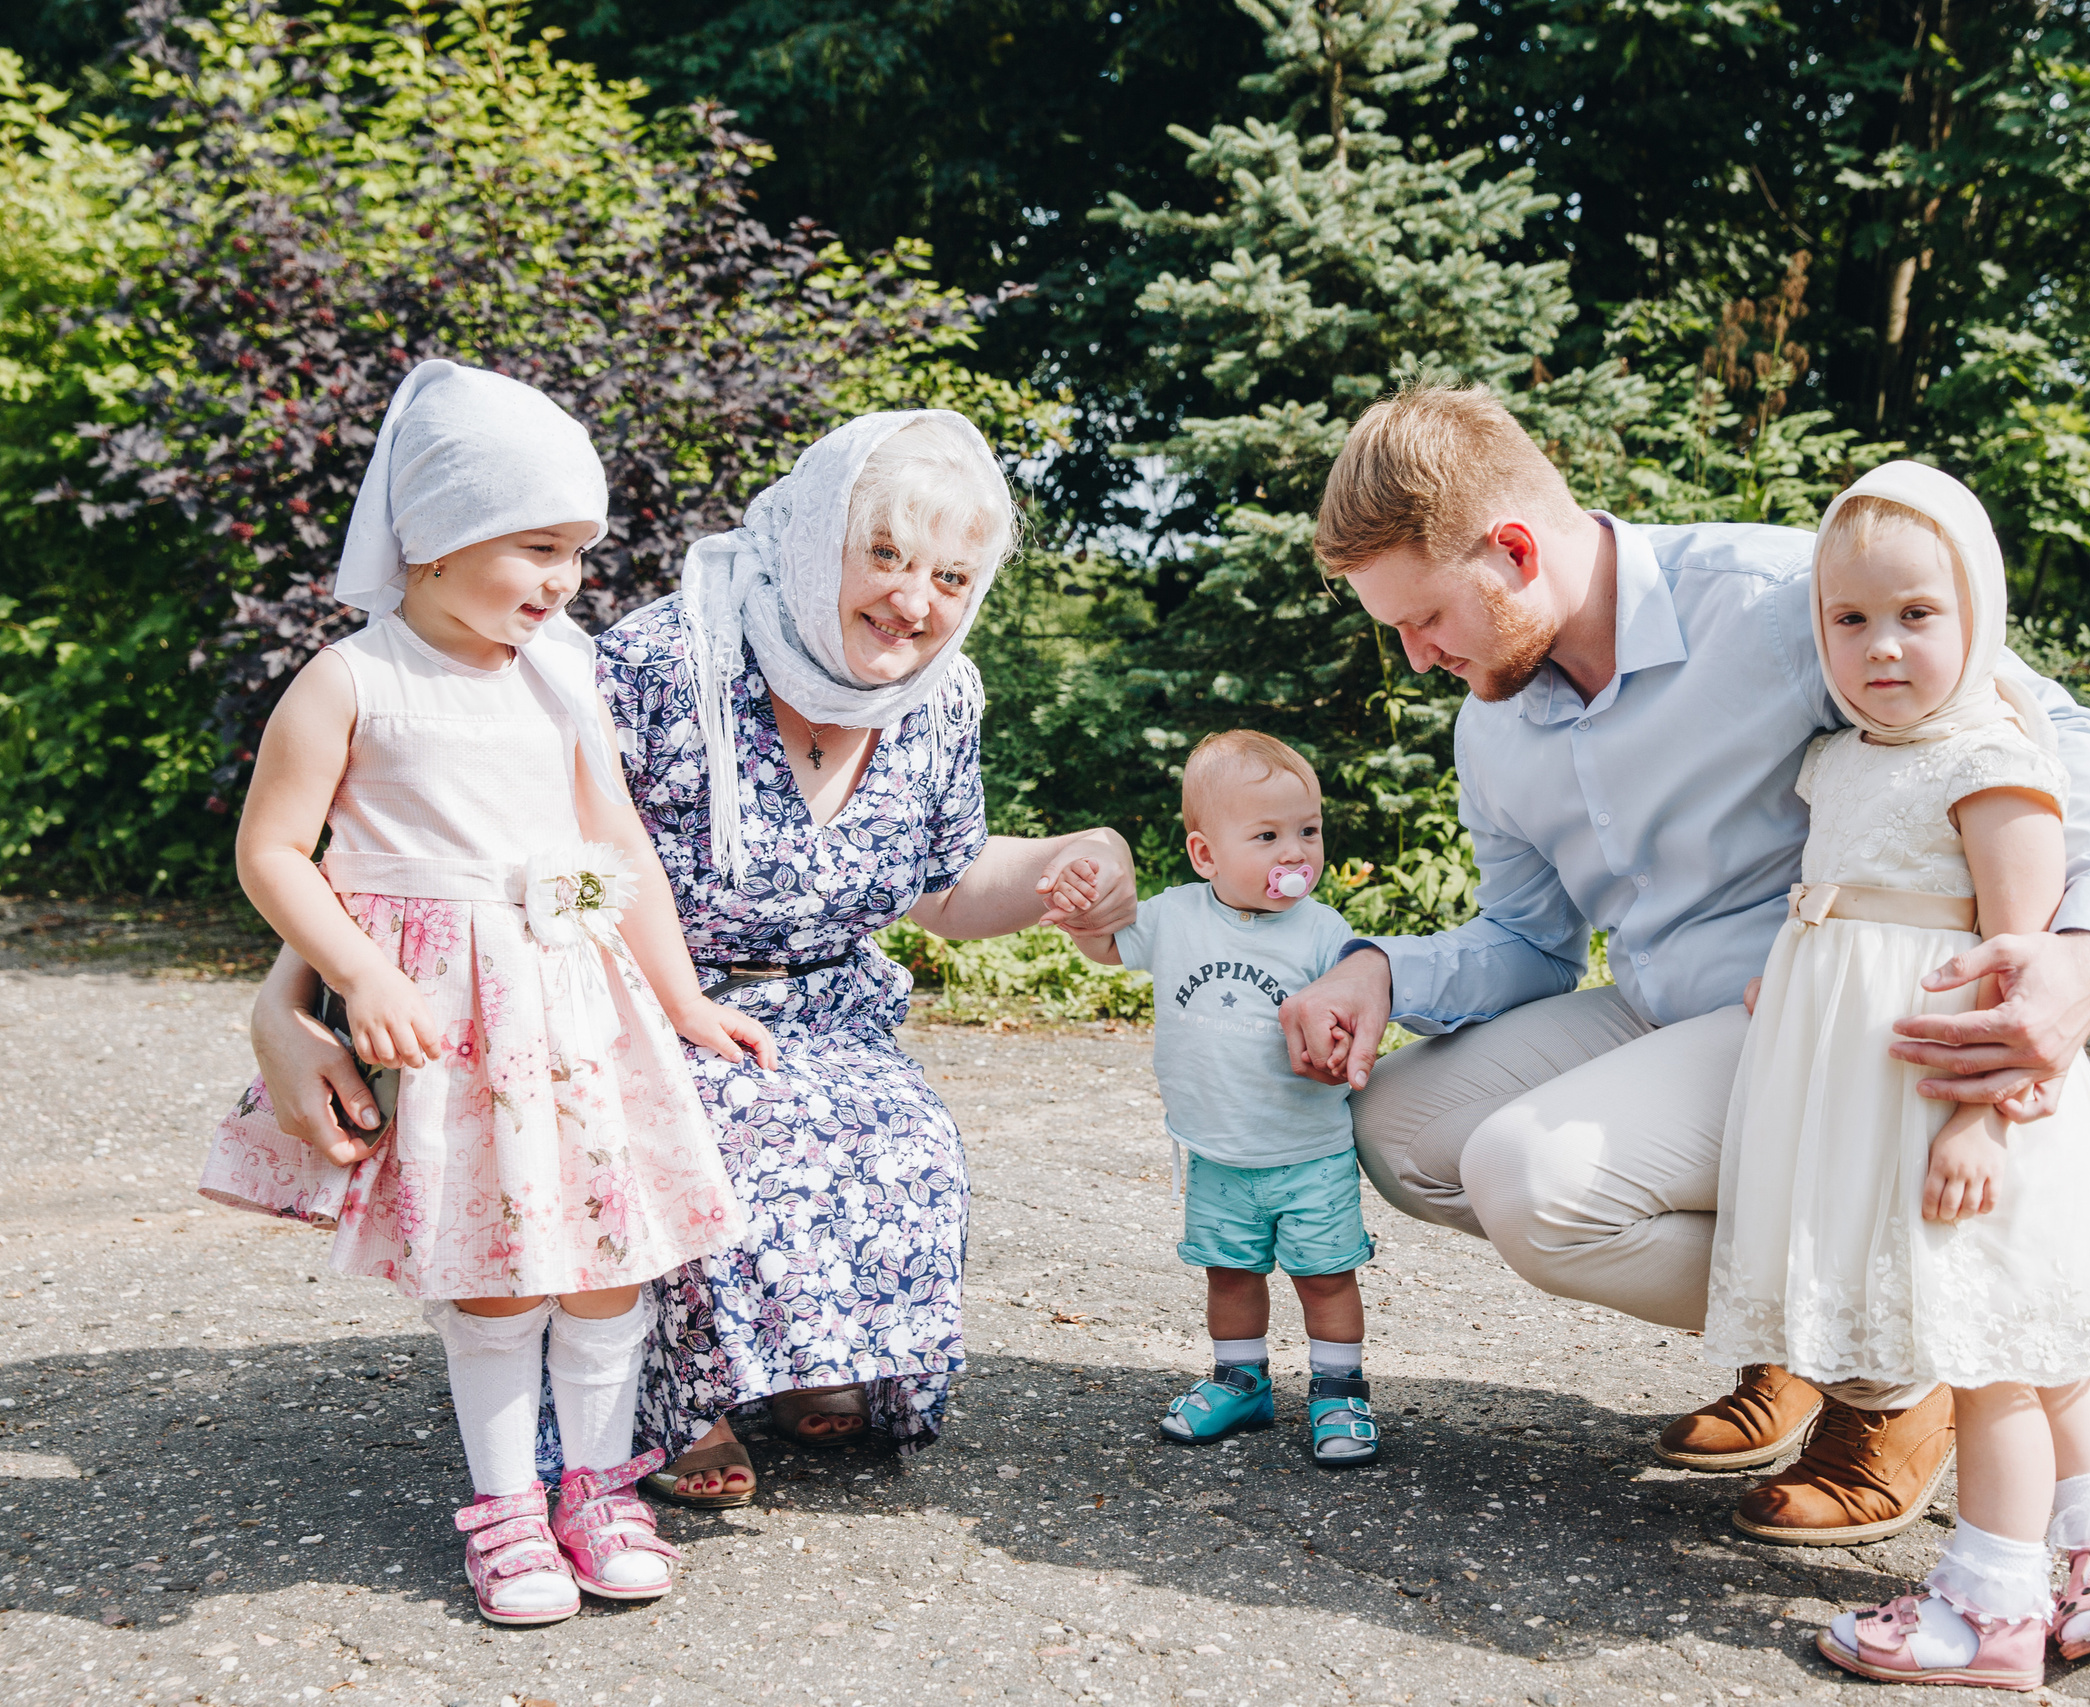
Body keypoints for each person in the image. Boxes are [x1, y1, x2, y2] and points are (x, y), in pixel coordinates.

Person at [1277, 385, 2090, 1545]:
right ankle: (1799, 1337)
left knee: (1532, 1177)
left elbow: (2061, 737)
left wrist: (2088, 952)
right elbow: (1528, 946)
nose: (1415, 655)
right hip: (1662, 1009)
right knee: (1400, 1129)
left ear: (1513, 552)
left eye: (1425, 618)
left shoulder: (1779, 600)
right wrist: (1380, 973)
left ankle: (1894, 1378)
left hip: (1830, 1017)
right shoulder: (1490, 723)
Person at [246, 408, 1138, 1511]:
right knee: (724, 1128)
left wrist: (1071, 859)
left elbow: (942, 885)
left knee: (902, 1137)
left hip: (825, 1014)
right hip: (607, 996)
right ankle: (660, 1407)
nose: (917, 600)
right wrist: (287, 1000)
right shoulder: (666, 660)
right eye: (886, 554)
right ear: (814, 538)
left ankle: (784, 1359)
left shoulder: (938, 696)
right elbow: (448, 832)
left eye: (951, 576)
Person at [205, 360, 769, 1627]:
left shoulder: (559, 675)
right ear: (435, 537)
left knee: (610, 1256)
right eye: (537, 546)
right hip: (454, 1020)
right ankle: (508, 1504)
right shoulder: (354, 680)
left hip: (577, 1007)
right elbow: (273, 852)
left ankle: (599, 1488)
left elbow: (618, 850)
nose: (564, 579)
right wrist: (359, 970)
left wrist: (682, 1001)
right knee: (499, 1265)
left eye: (579, 551)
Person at [1696, 463, 2090, 1688]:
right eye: (1849, 618)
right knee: (2028, 1337)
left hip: (1954, 1103)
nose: (1881, 646)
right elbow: (1848, 907)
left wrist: (1979, 1120)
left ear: (1980, 617)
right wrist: (1792, 981)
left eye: (1918, 614)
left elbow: (2020, 978)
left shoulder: (1992, 763)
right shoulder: (1841, 759)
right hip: (1878, 1095)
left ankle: (1989, 1611)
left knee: (1988, 1355)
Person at [1061, 731, 1380, 1465]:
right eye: (1267, 836)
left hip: (1309, 1154)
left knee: (1326, 1278)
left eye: (1308, 831)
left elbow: (1350, 1011)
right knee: (1230, 1275)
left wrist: (1338, 1047)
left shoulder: (1325, 932)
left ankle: (1339, 1391)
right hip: (1217, 1153)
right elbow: (1108, 946)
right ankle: (1242, 1380)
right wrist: (1080, 912)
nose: (1295, 852)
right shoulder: (1175, 916)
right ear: (1205, 855)